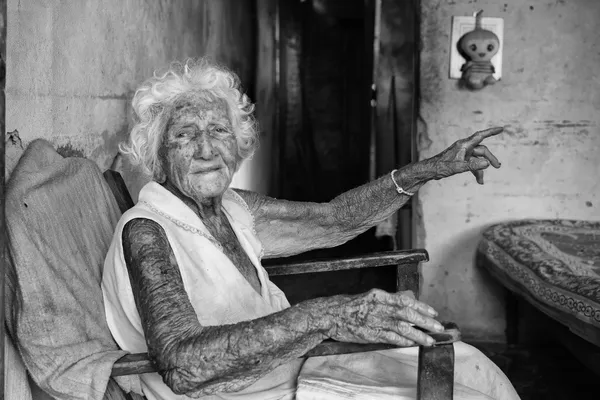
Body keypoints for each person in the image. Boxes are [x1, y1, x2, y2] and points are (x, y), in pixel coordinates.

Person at [102, 58, 520, 400]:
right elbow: (183, 364)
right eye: (185, 135)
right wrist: (328, 316)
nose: (207, 148)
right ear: (157, 155)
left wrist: (427, 170)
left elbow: (335, 219)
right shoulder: (147, 231)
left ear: (238, 142)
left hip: (291, 368)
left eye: (218, 130)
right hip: (246, 394)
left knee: (468, 365)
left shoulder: (233, 207)